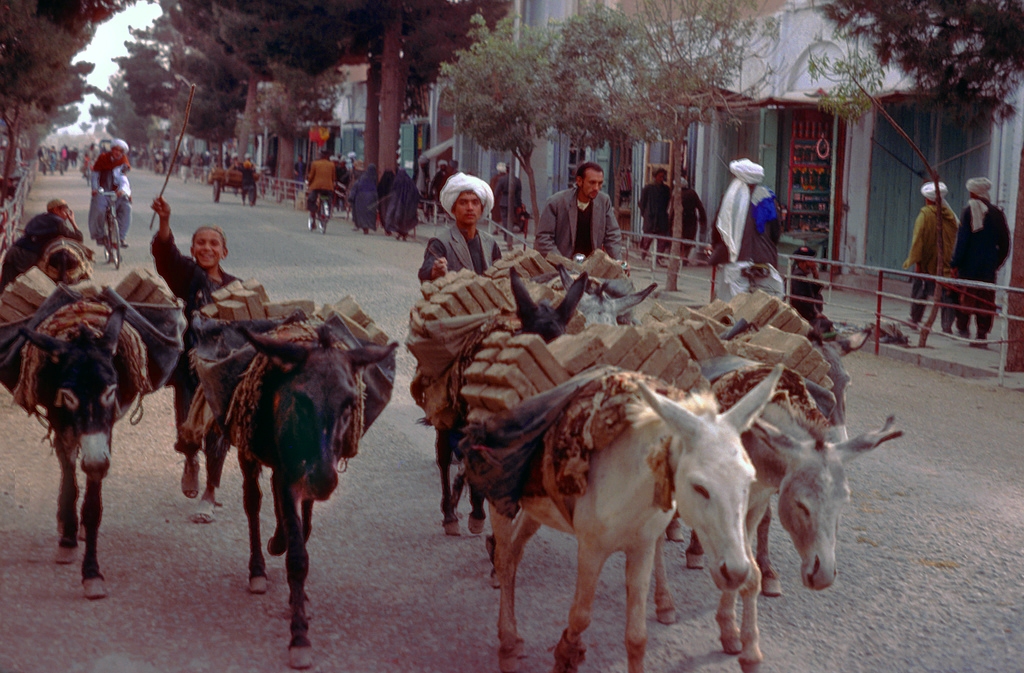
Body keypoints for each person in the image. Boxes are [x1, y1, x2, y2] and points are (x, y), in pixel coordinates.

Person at [150, 196, 237, 523]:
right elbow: (165, 255)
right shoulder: (186, 275)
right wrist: (164, 221)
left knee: (218, 433)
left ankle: (210, 493)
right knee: (188, 431)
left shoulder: (236, 287)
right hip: (189, 371)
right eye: (200, 242)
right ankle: (190, 460)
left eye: (214, 243)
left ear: (223, 252)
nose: (206, 248)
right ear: (193, 248)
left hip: (223, 373)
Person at [951, 177, 1011, 346]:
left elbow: (962, 241)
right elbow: (1005, 244)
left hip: (968, 268)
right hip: (987, 269)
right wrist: (996, 263)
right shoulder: (997, 214)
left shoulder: (968, 211)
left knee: (965, 298)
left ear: (973, 193)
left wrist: (955, 263)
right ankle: (981, 334)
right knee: (985, 301)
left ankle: (962, 329)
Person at [711, 159, 782, 299]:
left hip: (736, 263)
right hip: (765, 262)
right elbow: (776, 234)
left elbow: (718, 229)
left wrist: (715, 246)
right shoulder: (769, 198)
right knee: (769, 305)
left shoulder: (729, 199)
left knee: (730, 308)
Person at [418, 172, 501, 282]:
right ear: (453, 209)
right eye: (463, 202)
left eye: (475, 202)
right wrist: (434, 271)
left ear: (481, 210)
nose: (470, 208)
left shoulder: (490, 243)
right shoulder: (440, 243)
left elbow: (500, 273)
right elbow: (424, 273)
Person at [535, 161, 621, 260]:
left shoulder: (604, 202)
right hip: (561, 266)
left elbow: (612, 235)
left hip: (591, 266)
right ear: (579, 181)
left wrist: (617, 261)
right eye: (592, 182)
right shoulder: (556, 202)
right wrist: (562, 263)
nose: (596, 188)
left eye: (600, 183)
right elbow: (543, 238)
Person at [903, 181, 959, 332]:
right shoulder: (950, 216)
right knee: (946, 294)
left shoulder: (925, 214)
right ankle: (947, 326)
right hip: (945, 262)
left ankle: (914, 319)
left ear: (927, 199)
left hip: (928, 262)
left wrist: (917, 262)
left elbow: (918, 240)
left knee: (920, 290)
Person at [0, 200, 84, 292]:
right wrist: (73, 222)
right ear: (56, 210)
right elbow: (79, 238)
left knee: (5, 284)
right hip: (27, 256)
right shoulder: (57, 222)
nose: (67, 216)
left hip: (14, 250)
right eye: (65, 212)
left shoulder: (39, 218)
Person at [88, 138, 132, 248]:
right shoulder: (103, 158)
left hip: (117, 193)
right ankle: (100, 235)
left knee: (127, 208)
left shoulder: (123, 162)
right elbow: (95, 176)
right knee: (99, 209)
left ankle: (121, 237)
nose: (117, 152)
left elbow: (123, 179)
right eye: (115, 150)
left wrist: (123, 190)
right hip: (103, 191)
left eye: (120, 151)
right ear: (112, 149)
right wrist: (95, 188)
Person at [639, 168, 671, 262]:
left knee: (662, 240)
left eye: (663, 176)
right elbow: (642, 203)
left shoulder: (666, 190)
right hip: (650, 218)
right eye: (659, 176)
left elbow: (667, 203)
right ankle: (643, 255)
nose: (661, 178)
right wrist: (645, 214)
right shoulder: (648, 188)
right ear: (655, 176)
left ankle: (658, 257)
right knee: (647, 240)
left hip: (661, 219)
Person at [677, 176, 708, 262]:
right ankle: (685, 257)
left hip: (679, 221)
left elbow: (671, 209)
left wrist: (669, 222)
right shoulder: (692, 193)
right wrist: (702, 219)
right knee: (689, 239)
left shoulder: (676, 194)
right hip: (691, 221)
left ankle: (680, 257)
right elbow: (700, 207)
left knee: (679, 239)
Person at [384, 168, 420, 241]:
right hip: (408, 205)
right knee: (405, 219)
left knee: (398, 217)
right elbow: (416, 193)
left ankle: (401, 233)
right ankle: (403, 233)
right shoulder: (410, 182)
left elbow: (394, 191)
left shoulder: (398, 180)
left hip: (399, 204)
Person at [305, 150, 335, 231]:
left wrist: (309, 182)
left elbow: (311, 176)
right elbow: (333, 178)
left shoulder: (315, 164)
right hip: (328, 187)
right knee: (329, 199)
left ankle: (313, 218)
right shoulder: (331, 165)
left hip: (316, 187)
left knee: (312, 200)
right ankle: (328, 211)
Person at [493, 162, 523, 232]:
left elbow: (496, 191)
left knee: (504, 218)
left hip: (503, 200)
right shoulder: (517, 180)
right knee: (511, 218)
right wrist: (519, 205)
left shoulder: (502, 179)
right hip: (514, 202)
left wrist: (495, 200)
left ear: (506, 170)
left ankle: (506, 233)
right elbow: (519, 195)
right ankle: (509, 232)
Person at [350, 163, 379, 234]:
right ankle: (368, 226)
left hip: (361, 197)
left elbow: (356, 185)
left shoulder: (363, 177)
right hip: (372, 196)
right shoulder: (374, 177)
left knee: (362, 212)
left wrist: (351, 196)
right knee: (370, 212)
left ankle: (364, 227)